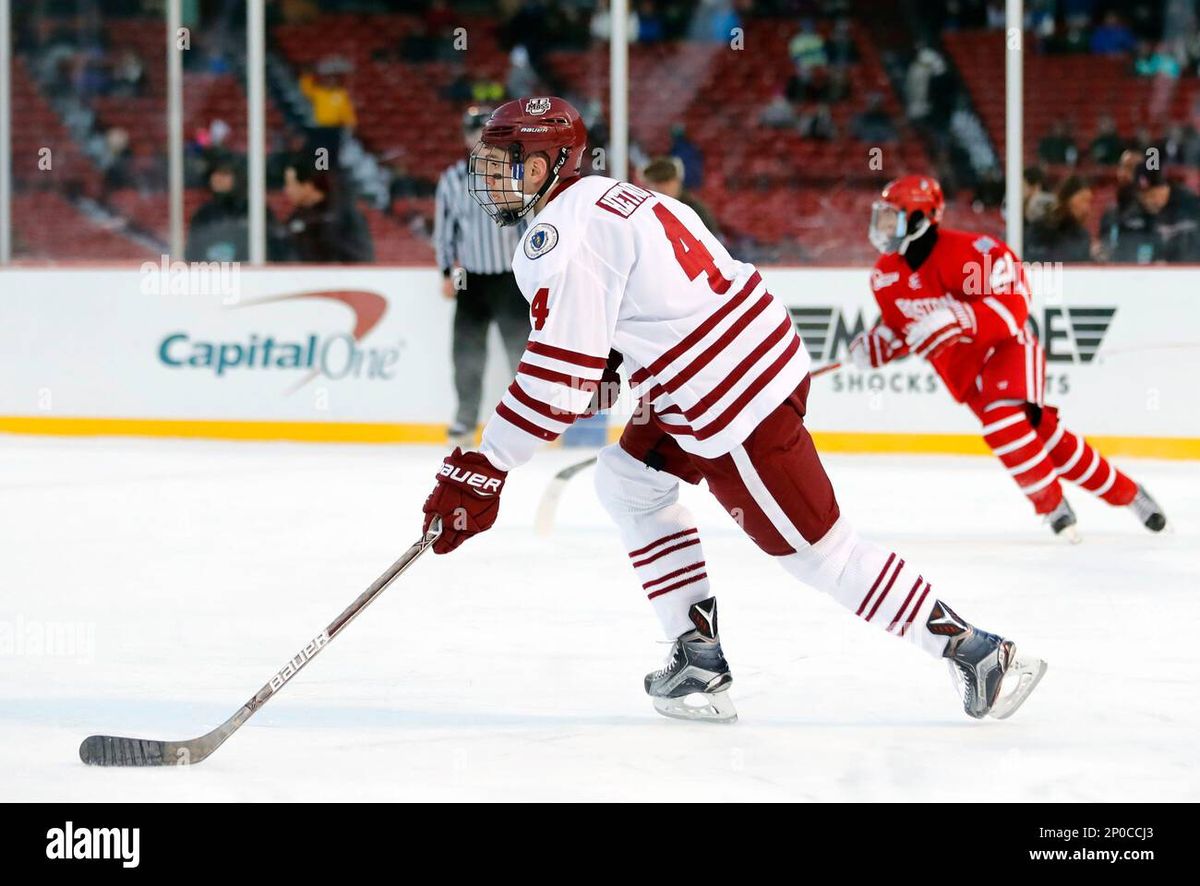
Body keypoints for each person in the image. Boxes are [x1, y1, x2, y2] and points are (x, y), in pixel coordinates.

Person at [419, 96, 1049, 725]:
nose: (490, 177)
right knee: (629, 483)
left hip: (727, 398)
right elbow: (645, 306)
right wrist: (614, 364)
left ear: (543, 165)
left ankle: (975, 651)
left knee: (823, 554)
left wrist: (489, 461)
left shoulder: (557, 234)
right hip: (722, 370)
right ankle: (698, 656)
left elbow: (560, 371)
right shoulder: (619, 195)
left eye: (504, 161)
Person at [850, 175, 1166, 539]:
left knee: (1003, 423)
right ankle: (1131, 495)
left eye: (893, 217)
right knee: (1048, 439)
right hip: (965, 375)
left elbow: (1014, 304)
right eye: (883, 217)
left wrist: (961, 318)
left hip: (1008, 349)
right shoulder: (884, 277)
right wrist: (877, 347)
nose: (883, 227)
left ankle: (1054, 509)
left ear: (920, 218)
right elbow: (902, 332)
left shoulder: (975, 251)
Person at [434, 106, 531, 448]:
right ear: (464, 137)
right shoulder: (452, 180)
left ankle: (528, 419)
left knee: (520, 352)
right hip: (471, 279)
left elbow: (528, 226)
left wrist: (533, 271)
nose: (477, 137)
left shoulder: (515, 174)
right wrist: (447, 271)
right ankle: (465, 418)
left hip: (509, 277)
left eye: (483, 130)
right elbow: (446, 229)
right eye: (472, 130)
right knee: (466, 353)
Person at [282, 161, 374, 263]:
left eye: (290, 184)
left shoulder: (342, 215)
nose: (287, 190)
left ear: (308, 186)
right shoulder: (298, 217)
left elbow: (361, 257)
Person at [640, 156, 720, 239]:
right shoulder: (644, 211)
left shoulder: (694, 211)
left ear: (676, 182)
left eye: (666, 181)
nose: (662, 188)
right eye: (656, 183)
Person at [1025, 175, 1098, 263]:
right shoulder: (1041, 229)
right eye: (1083, 200)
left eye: (1089, 202)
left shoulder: (1083, 236)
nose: (1087, 209)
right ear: (1067, 200)